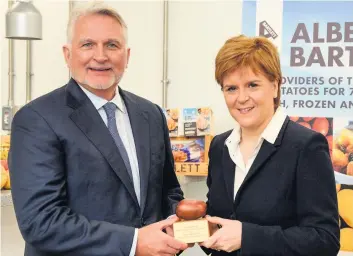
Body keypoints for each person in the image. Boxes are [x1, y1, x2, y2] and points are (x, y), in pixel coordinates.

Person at [8, 2, 188, 256]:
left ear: (127, 56)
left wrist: (180, 219)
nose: (101, 56)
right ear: (67, 54)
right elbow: (42, 221)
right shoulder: (37, 118)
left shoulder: (151, 114)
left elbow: (168, 190)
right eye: (87, 44)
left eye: (112, 45)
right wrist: (134, 243)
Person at [199, 35, 340, 255]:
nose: (242, 98)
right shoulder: (219, 146)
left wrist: (247, 237)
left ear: (275, 86)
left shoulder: (307, 147)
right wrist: (191, 227)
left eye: (252, 85)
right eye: (231, 88)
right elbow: (222, 218)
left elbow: (325, 239)